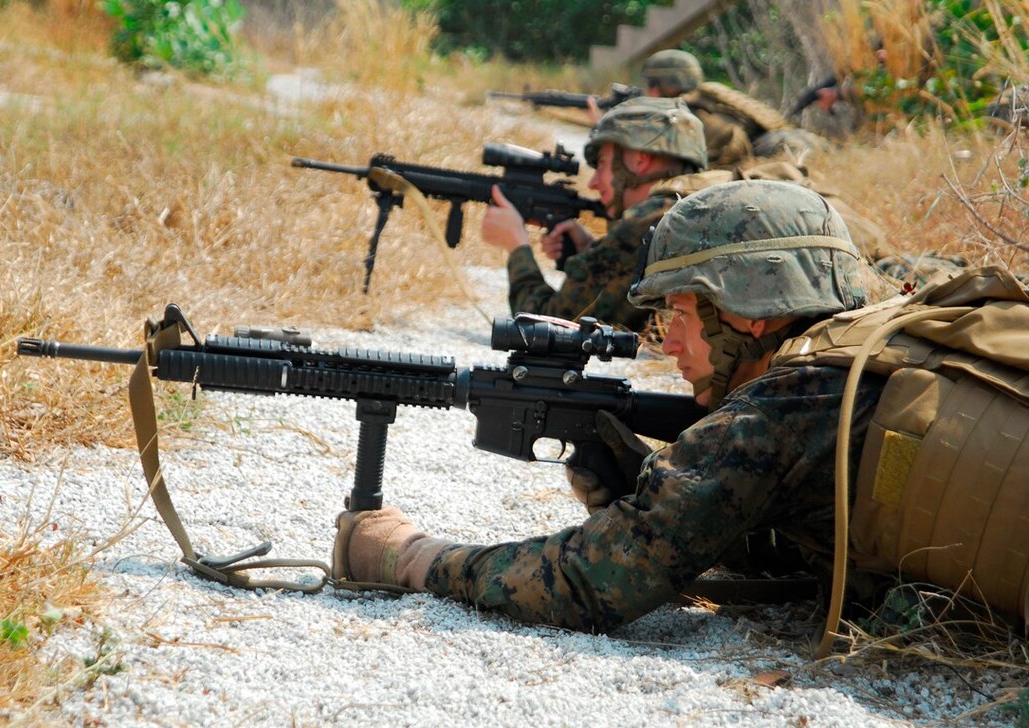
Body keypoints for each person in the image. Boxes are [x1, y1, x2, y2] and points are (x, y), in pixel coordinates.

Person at [332, 180, 889, 633]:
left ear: (752, 312)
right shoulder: (856, 356)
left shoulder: (784, 406)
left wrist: (412, 557)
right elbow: (779, 545)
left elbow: (589, 581)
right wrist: (644, 486)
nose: (668, 344)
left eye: (682, 316)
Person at [481, 96, 707, 332]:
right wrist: (592, 248)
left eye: (601, 164)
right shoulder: (692, 204)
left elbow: (552, 325)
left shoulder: (646, 222)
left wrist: (516, 246)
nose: (593, 183)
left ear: (640, 161)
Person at [640, 49, 821, 167]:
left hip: (785, 153)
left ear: (664, 85)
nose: (650, 91)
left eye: (651, 84)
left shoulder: (689, 114)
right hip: (801, 144)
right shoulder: (710, 97)